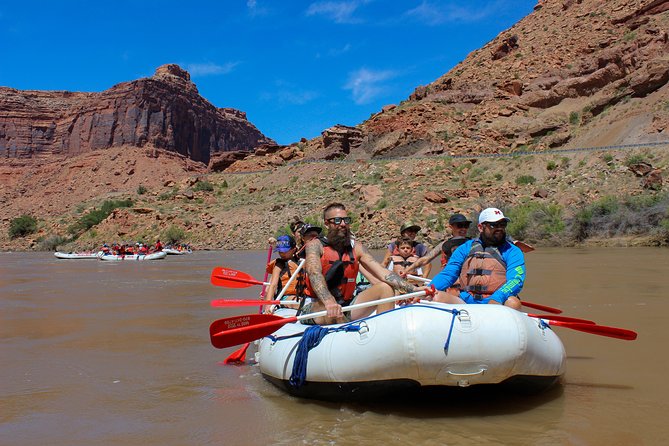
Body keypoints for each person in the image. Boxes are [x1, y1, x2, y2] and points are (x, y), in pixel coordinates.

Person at [304, 203, 419, 325]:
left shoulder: (357, 247)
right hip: (317, 305)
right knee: (334, 313)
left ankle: (384, 331)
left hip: (346, 304)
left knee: (385, 288)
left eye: (346, 220)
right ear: (327, 223)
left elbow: (383, 273)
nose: (343, 224)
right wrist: (328, 300)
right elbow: (314, 273)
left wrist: (413, 289)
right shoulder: (314, 245)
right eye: (337, 220)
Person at [429, 207, 523, 310]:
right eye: (493, 225)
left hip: (496, 300)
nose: (499, 228)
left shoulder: (513, 251)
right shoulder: (464, 248)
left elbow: (516, 280)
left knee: (513, 303)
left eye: (502, 224)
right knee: (435, 297)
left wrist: (497, 298)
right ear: (480, 227)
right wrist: (429, 289)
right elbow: (448, 274)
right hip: (466, 300)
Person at [403, 213, 472, 277]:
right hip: (451, 281)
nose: (463, 229)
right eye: (459, 225)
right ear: (451, 227)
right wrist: (407, 270)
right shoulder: (444, 244)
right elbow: (426, 259)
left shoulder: (474, 243)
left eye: (466, 226)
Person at [263, 235, 310, 314]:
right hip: (284, 298)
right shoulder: (279, 264)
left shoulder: (301, 261)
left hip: (301, 295)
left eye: (285, 251)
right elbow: (273, 285)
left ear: (293, 249)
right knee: (298, 303)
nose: (282, 254)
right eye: (280, 251)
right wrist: (268, 304)